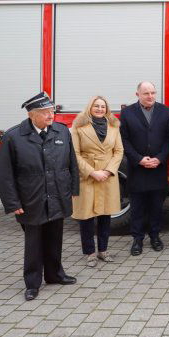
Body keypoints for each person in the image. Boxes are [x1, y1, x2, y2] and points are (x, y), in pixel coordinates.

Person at [0, 92, 79, 301]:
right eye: (45, 112)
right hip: (31, 199)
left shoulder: (61, 132)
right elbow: (5, 175)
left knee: (55, 238)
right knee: (34, 243)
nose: (51, 116)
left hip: (57, 195)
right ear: (32, 115)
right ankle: (32, 283)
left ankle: (54, 274)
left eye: (51, 111)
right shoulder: (13, 137)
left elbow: (72, 164)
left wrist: (73, 191)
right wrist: (12, 203)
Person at [119, 81, 169, 256]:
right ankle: (137, 239)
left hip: (158, 168)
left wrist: (159, 158)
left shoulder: (165, 111)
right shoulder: (127, 113)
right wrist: (139, 159)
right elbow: (124, 140)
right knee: (137, 207)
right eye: (146, 93)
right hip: (138, 169)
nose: (150, 96)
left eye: (153, 93)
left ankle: (155, 237)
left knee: (156, 206)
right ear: (138, 95)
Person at [70, 96, 124, 267]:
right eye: (96, 106)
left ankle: (103, 250)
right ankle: (90, 253)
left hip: (107, 177)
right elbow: (75, 154)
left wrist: (108, 171)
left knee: (105, 215)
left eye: (103, 106)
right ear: (90, 108)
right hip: (87, 177)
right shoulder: (79, 127)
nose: (100, 109)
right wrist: (92, 172)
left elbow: (119, 151)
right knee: (86, 216)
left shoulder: (114, 127)